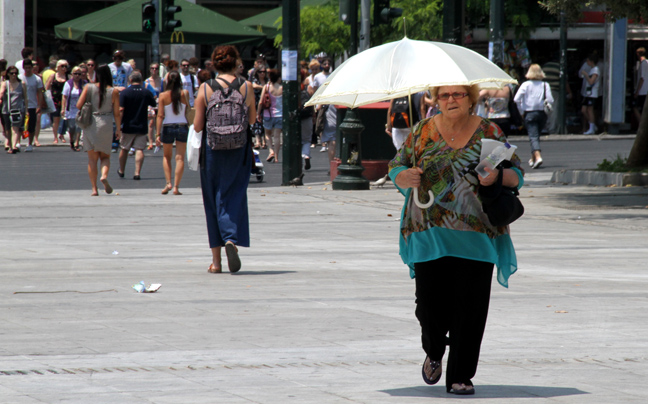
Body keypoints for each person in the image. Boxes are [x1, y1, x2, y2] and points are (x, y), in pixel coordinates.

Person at [388, 84, 523, 396]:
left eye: (458, 94)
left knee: (471, 309)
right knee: (429, 307)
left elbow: (517, 174)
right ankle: (434, 350)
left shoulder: (489, 132)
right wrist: (401, 177)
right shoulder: (422, 131)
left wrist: (497, 176)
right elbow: (396, 165)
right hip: (427, 231)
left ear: (470, 98)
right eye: (444, 95)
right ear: (436, 99)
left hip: (477, 233)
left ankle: (461, 374)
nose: (451, 100)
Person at [193, 44, 256, 274]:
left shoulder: (206, 88)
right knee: (234, 195)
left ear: (215, 64)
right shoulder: (247, 87)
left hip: (212, 151)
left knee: (212, 199)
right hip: (239, 150)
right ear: (236, 61)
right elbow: (252, 120)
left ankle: (217, 262)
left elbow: (198, 126)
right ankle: (232, 239)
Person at [76, 64, 121, 196]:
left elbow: (78, 105)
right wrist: (118, 129)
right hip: (106, 123)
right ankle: (104, 175)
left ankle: (94, 189)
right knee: (105, 156)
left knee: (92, 159)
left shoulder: (88, 87)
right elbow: (117, 113)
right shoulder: (114, 91)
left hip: (91, 123)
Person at [155, 70, 190, 196]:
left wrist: (157, 134)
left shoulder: (163, 95)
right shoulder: (184, 93)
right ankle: (176, 187)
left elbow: (160, 116)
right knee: (180, 158)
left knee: (166, 156)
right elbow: (187, 112)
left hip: (167, 127)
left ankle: (168, 183)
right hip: (182, 126)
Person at [118, 71, 156, 180]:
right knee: (139, 149)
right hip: (142, 124)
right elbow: (153, 104)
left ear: (130, 80)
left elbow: (121, 109)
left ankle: (121, 170)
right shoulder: (146, 92)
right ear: (141, 80)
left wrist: (119, 124)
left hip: (128, 125)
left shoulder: (125, 93)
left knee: (124, 148)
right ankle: (137, 173)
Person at [514, 64, 553, 169]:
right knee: (535, 136)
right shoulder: (545, 85)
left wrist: (521, 110)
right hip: (542, 113)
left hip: (529, 113)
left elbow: (516, 99)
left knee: (533, 136)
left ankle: (538, 157)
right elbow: (550, 100)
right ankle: (533, 158)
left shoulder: (526, 85)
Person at [0, 66, 28, 154]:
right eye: (12, 73)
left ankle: (13, 146)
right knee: (7, 128)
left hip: (18, 109)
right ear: (8, 74)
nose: (14, 75)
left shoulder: (21, 84)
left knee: (15, 128)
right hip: (7, 109)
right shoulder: (5, 83)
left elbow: (25, 98)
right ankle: (10, 144)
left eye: (15, 73)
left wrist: (26, 110)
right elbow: (1, 93)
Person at [19, 59, 45, 152]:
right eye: (26, 68)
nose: (28, 70)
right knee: (19, 125)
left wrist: (39, 105)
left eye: (29, 68)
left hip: (32, 105)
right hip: (21, 105)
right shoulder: (20, 78)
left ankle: (30, 143)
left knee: (31, 126)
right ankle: (18, 142)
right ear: (23, 68)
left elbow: (40, 92)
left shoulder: (37, 79)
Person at [258, 68, 282, 163]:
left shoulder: (266, 87)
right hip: (279, 115)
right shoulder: (282, 88)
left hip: (268, 114)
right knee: (277, 136)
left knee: (267, 134)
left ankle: (271, 150)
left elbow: (260, 102)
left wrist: (258, 113)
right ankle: (276, 157)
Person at [60, 65, 86, 151]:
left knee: (79, 126)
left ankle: (77, 142)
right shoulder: (68, 83)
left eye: (79, 74)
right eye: (75, 74)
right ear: (72, 74)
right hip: (70, 108)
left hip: (80, 109)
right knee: (71, 127)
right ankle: (72, 140)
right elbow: (64, 96)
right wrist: (63, 108)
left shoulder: (84, 83)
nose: (77, 76)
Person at [45, 59, 70, 144]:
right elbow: (47, 88)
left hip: (65, 99)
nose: (64, 68)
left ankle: (62, 134)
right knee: (56, 119)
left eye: (65, 66)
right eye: (62, 66)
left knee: (64, 118)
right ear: (58, 67)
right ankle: (55, 137)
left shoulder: (68, 77)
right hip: (55, 100)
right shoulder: (53, 76)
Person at [579, 53, 600, 135]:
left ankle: (591, 128)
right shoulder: (592, 69)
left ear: (592, 61)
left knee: (590, 110)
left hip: (592, 93)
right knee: (583, 110)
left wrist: (586, 74)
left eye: (588, 60)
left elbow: (591, 81)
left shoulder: (596, 70)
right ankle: (593, 125)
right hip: (587, 93)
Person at [145, 62, 163, 150]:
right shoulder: (147, 81)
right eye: (152, 68)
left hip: (160, 103)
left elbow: (164, 92)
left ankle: (158, 140)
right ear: (150, 70)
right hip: (150, 104)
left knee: (158, 122)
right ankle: (151, 142)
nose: (154, 70)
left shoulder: (162, 81)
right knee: (151, 122)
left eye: (156, 68)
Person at [251, 66, 268, 149]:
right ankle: (258, 141)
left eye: (264, 71)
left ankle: (264, 141)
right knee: (257, 121)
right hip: (257, 103)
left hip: (266, 105)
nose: (262, 73)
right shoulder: (255, 80)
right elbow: (254, 86)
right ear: (257, 73)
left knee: (265, 122)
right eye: (260, 72)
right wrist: (265, 88)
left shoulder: (267, 81)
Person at [633, 47, 647, 123]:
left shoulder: (643, 64)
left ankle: (641, 124)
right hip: (646, 90)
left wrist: (637, 91)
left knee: (635, 107)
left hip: (642, 91)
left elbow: (642, 78)